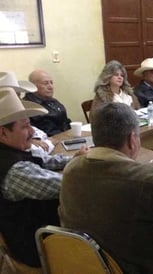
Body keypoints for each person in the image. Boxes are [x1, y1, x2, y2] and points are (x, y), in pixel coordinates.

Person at [59, 102, 153, 274]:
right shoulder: (147, 179)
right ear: (132, 139)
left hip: (85, 264)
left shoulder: (72, 169)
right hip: (135, 268)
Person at [0, 87, 88, 267]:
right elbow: (68, 185)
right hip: (39, 247)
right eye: (25, 126)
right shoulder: (16, 170)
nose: (32, 132)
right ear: (3, 133)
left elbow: (44, 160)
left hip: (40, 233)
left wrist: (73, 159)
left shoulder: (12, 152)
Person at [24, 70, 72, 136]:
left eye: (51, 83)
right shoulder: (29, 107)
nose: (50, 87)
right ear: (33, 86)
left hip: (66, 138)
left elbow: (66, 122)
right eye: (45, 83)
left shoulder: (53, 101)